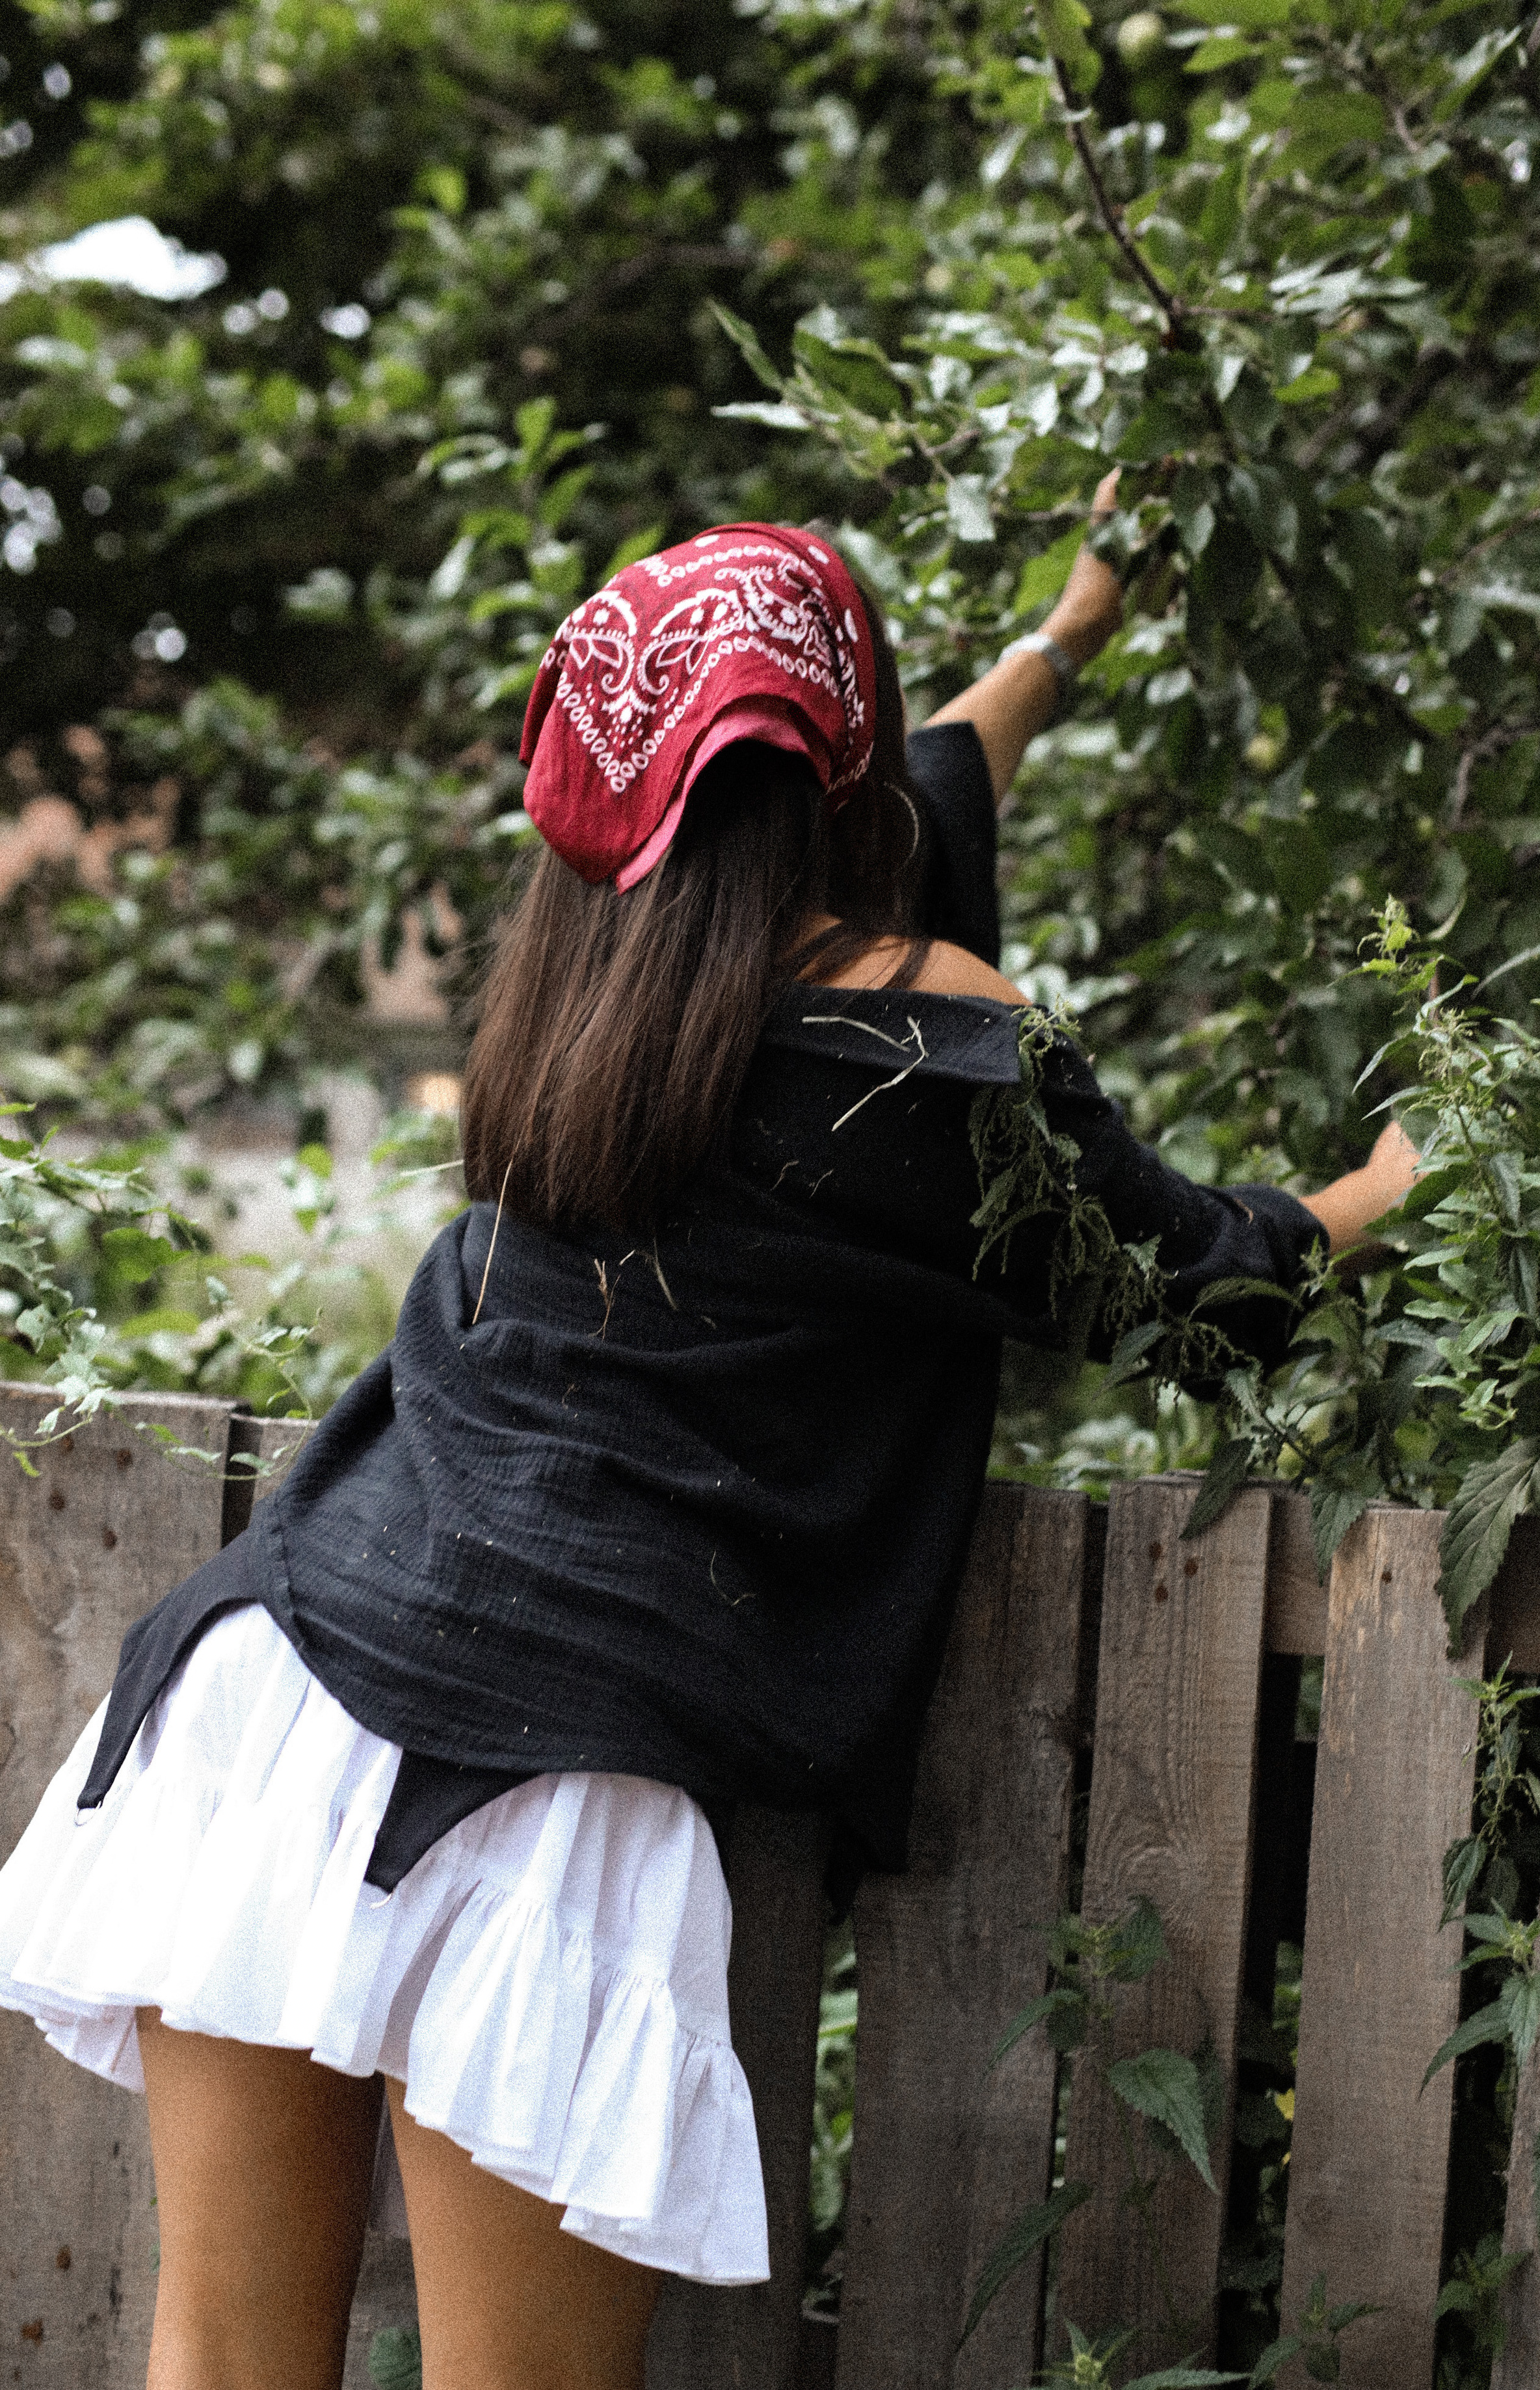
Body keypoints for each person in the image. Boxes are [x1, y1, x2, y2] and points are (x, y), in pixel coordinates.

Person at [0, 490, 1416, 2390]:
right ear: (837, 781)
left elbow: (885, 781)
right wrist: (1405, 1170)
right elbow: (1188, 1285)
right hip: (543, 1774)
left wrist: (1061, 641)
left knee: (223, 2358)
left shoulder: (583, 980)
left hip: (272, 1695)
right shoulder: (934, 1053)